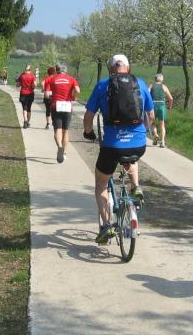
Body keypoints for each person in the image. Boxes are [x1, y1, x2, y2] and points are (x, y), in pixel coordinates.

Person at [83, 54, 154, 244]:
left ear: (110, 68)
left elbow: (88, 116)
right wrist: (143, 131)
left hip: (112, 146)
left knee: (101, 184)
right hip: (138, 144)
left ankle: (107, 226)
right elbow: (151, 116)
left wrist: (88, 132)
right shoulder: (140, 83)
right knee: (132, 157)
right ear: (128, 68)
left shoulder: (102, 85)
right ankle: (136, 187)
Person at [49, 63, 80, 163]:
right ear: (65, 70)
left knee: (57, 130)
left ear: (56, 70)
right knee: (65, 131)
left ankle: (59, 146)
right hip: (67, 105)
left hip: (56, 105)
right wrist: (74, 97)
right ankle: (64, 153)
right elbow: (77, 90)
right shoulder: (71, 79)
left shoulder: (52, 79)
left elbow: (48, 92)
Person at [148, 73, 174, 148]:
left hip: (153, 106)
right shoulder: (164, 86)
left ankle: (155, 135)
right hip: (161, 106)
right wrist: (170, 106)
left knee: (152, 123)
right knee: (162, 125)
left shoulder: (151, 86)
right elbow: (171, 98)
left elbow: (147, 95)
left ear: (155, 79)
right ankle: (162, 141)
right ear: (162, 79)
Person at [17, 64, 36, 129]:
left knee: (24, 108)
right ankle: (28, 122)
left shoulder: (22, 75)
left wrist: (21, 84)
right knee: (29, 108)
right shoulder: (32, 76)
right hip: (30, 93)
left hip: (23, 93)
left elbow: (18, 85)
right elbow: (35, 85)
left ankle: (25, 120)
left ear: (25, 69)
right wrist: (32, 87)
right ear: (30, 69)